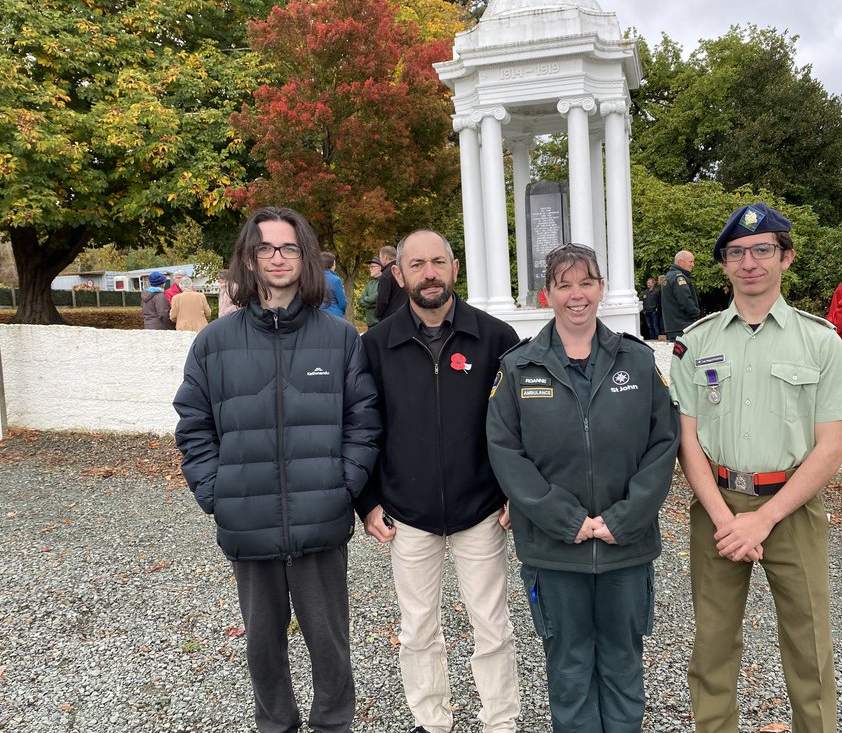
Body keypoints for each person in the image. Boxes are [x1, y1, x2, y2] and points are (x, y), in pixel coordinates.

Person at [173, 207, 381, 733]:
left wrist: (342, 486)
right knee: (263, 647)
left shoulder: (339, 338)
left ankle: (334, 725)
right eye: (265, 248)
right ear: (248, 258)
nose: (278, 257)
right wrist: (216, 493)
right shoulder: (214, 343)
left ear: (304, 257)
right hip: (246, 519)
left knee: (331, 647)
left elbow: (363, 421)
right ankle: (275, 726)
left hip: (320, 520)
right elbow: (193, 425)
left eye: (289, 248)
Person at [670, 202, 842, 733]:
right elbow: (686, 441)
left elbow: (830, 449)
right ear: (725, 265)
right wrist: (725, 515)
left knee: (809, 643)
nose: (749, 262)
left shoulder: (820, 340)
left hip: (793, 507)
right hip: (717, 504)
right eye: (736, 253)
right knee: (711, 641)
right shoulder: (698, 342)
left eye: (762, 250)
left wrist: (764, 518)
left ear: (786, 258)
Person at [486, 243, 679, 733]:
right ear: (546, 294)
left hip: (625, 547)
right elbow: (506, 452)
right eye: (564, 285)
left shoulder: (636, 361)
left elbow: (664, 443)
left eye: (586, 283)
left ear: (600, 288)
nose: (577, 295)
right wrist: (566, 520)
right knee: (569, 668)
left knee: (622, 664)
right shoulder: (518, 368)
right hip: (555, 551)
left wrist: (624, 518)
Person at [357, 229, 521, 733]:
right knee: (417, 630)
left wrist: (516, 491)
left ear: (454, 268)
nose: (429, 273)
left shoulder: (497, 338)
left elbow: (519, 424)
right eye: (417, 264)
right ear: (399, 273)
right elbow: (361, 426)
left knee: (492, 628)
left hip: (483, 511)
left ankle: (501, 722)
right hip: (408, 515)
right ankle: (433, 722)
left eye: (438, 262)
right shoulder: (375, 346)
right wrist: (366, 502)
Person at [660, 250, 699, 340]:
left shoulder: (668, 276)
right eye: (690, 261)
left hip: (673, 326)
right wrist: (695, 313)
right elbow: (685, 300)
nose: (693, 265)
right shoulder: (679, 277)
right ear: (681, 261)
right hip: (683, 326)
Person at [374, 244, 407, 320]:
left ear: (385, 257)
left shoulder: (386, 275)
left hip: (390, 317)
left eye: (380, 257)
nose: (380, 260)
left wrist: (377, 314)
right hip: (406, 315)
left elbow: (382, 299)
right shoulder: (405, 271)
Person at [320, 251, 349, 319]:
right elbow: (343, 303)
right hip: (334, 316)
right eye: (335, 264)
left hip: (318, 316)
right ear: (332, 265)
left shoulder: (314, 279)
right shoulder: (335, 280)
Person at [356, 258, 382, 329]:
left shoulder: (384, 282)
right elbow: (360, 301)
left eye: (372, 267)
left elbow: (375, 298)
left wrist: (366, 299)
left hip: (380, 322)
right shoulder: (370, 283)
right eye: (370, 267)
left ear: (380, 268)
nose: (370, 269)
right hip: (370, 323)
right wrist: (373, 305)